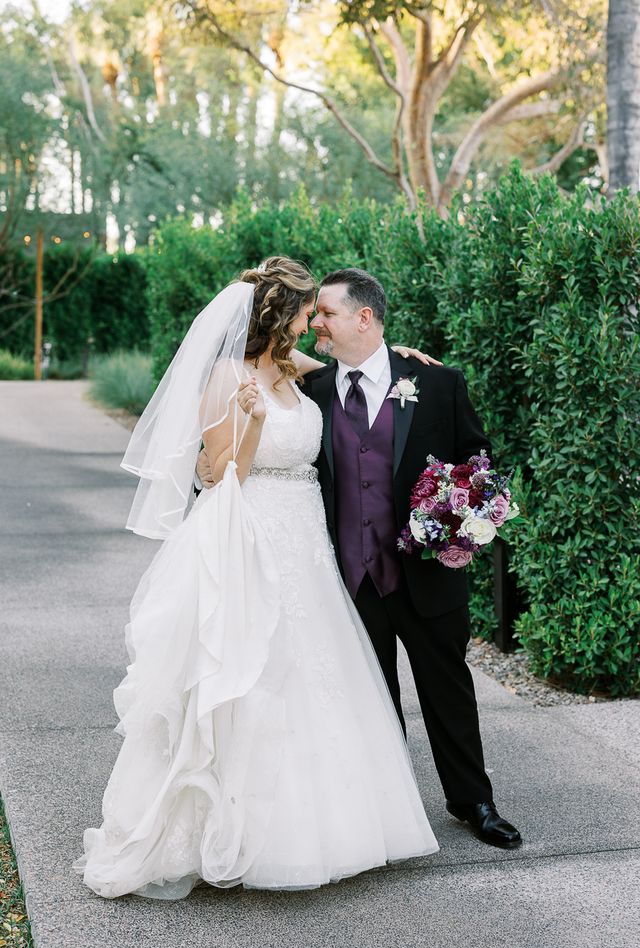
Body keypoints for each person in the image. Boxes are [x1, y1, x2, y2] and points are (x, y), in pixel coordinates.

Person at [73, 257, 440, 900]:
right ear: (279, 314)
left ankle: (344, 824)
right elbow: (220, 479)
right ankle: (249, 833)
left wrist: (394, 354)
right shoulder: (226, 377)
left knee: (317, 671)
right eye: (308, 311)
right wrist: (253, 427)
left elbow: (351, 369)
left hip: (307, 542)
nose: (315, 322)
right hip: (254, 535)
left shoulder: (291, 370)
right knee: (255, 673)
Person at [199, 267, 522, 850]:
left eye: (326, 314)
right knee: (368, 700)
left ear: (364, 318)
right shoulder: (308, 389)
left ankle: (475, 801)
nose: (317, 324)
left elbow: (480, 465)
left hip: (425, 574)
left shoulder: (438, 384)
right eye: (313, 314)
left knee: (448, 689)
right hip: (343, 579)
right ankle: (384, 812)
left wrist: (459, 526)